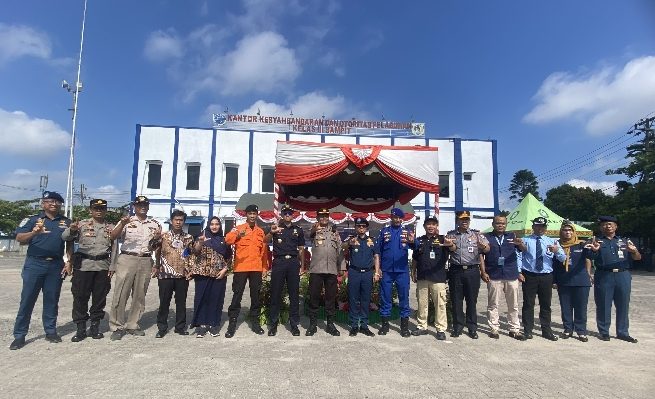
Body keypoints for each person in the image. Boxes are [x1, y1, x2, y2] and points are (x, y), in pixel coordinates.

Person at [10, 191, 72, 350]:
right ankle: (19, 335)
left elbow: (69, 243)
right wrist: (34, 232)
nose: (54, 203)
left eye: (57, 201)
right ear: (43, 203)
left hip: (56, 265)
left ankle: (50, 331)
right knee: (27, 300)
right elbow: (19, 238)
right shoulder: (33, 219)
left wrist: (68, 261)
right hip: (35, 264)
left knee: (52, 300)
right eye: (50, 201)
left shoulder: (65, 221)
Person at [108, 195, 162, 340]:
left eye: (145, 204)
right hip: (127, 258)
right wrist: (121, 224)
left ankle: (132, 324)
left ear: (148, 206)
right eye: (139, 205)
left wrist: (157, 241)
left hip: (145, 260)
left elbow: (156, 247)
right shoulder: (126, 221)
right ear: (134, 206)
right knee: (121, 293)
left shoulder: (155, 224)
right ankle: (117, 326)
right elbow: (113, 236)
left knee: (139, 295)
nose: (142, 207)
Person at [61, 198, 114, 342]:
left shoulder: (110, 227)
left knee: (99, 298)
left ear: (105, 210)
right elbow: (65, 236)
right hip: (83, 266)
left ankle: (95, 327)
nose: (99, 211)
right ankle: (80, 328)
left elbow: (114, 246)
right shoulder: (81, 224)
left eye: (102, 208)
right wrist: (72, 229)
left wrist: (113, 265)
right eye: (96, 208)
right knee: (80, 297)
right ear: (90, 210)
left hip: (102, 266)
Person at [587, 215, 641, 343]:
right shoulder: (596, 241)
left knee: (623, 304)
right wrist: (594, 250)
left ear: (616, 226)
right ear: (600, 227)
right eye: (604, 224)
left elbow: (638, 257)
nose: (608, 226)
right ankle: (604, 332)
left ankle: (623, 332)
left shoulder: (625, 240)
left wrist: (633, 251)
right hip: (604, 275)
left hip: (623, 275)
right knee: (603, 304)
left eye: (610, 224)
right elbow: (589, 257)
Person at [519, 217, 566, 341]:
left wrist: (557, 251)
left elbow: (563, 258)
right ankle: (528, 330)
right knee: (528, 303)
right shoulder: (525, 240)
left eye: (543, 226)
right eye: (538, 226)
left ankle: (546, 330)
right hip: (530, 275)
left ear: (546, 228)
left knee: (546, 304)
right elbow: (519, 256)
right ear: (533, 227)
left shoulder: (552, 241)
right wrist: (519, 271)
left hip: (546, 276)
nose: (540, 229)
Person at [224, 204, 268, 338]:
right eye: (250, 214)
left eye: (254, 213)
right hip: (241, 268)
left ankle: (255, 323)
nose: (252, 216)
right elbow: (227, 240)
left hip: (256, 268)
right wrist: (238, 234)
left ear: (257, 215)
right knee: (237, 296)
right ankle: (232, 325)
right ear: (246, 215)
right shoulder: (238, 228)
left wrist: (264, 268)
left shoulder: (260, 231)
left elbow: (264, 251)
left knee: (255, 297)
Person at [480, 215, 527, 341]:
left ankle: (514, 329)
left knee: (513, 304)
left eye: (503, 223)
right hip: (494, 274)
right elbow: (481, 255)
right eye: (498, 223)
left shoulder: (512, 236)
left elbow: (523, 250)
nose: (500, 225)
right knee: (493, 304)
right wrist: (483, 272)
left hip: (511, 274)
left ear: (506, 224)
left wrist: (521, 244)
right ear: (493, 224)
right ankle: (494, 328)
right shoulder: (486, 237)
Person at [445, 211, 489, 339]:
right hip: (456, 271)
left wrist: (484, 247)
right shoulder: (451, 235)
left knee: (471, 300)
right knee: (456, 300)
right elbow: (447, 252)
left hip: (472, 271)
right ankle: (457, 327)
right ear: (457, 220)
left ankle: (472, 328)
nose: (465, 222)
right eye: (462, 219)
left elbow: (486, 250)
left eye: (467, 219)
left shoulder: (477, 234)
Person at [410, 216, 455, 340]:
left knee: (440, 304)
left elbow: (453, 249)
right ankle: (422, 326)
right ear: (424, 226)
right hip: (423, 277)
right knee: (422, 303)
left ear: (436, 226)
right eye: (428, 224)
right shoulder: (419, 240)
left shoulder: (443, 239)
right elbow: (415, 258)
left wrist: (450, 245)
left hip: (438, 278)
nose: (431, 226)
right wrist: (413, 271)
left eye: (433, 224)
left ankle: (440, 329)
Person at [265, 204, 306, 336]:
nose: (287, 215)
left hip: (293, 263)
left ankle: (294, 324)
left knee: (294, 295)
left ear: (292, 215)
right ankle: (273, 324)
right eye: (285, 214)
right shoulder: (276, 228)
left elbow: (301, 249)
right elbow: (265, 241)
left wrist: (303, 266)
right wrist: (271, 232)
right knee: (275, 294)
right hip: (279, 262)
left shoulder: (298, 230)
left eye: (289, 213)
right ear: (282, 215)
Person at [153, 209, 194, 338]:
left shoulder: (188, 237)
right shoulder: (164, 236)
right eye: (176, 220)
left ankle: (180, 327)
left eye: (181, 220)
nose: (178, 222)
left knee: (181, 302)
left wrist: (190, 270)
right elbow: (154, 248)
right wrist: (157, 265)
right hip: (165, 274)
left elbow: (190, 255)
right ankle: (162, 328)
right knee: (164, 302)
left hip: (182, 275)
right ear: (171, 221)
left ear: (184, 222)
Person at [189, 216, 232, 337]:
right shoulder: (201, 237)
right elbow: (195, 252)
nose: (214, 226)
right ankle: (201, 326)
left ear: (220, 226)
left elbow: (229, 257)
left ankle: (213, 325)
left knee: (216, 299)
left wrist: (225, 269)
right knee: (202, 299)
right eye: (212, 224)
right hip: (202, 274)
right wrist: (201, 242)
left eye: (217, 224)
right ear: (208, 225)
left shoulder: (224, 240)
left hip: (219, 275)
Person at [377, 208, 414, 337]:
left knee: (404, 298)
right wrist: (378, 269)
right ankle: (385, 326)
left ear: (401, 219)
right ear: (391, 218)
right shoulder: (384, 232)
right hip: (386, 271)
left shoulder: (407, 232)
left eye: (399, 218)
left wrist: (412, 241)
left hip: (402, 271)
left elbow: (415, 246)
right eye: (394, 217)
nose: (397, 220)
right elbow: (378, 251)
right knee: (385, 297)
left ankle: (404, 328)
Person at [553, 221, 592, 342]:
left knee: (581, 307)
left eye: (570, 230)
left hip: (581, 280)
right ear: (561, 232)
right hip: (564, 280)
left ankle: (581, 331)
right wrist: (554, 280)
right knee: (566, 307)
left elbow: (589, 258)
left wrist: (589, 274)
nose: (568, 232)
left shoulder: (581, 244)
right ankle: (568, 329)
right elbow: (553, 264)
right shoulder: (556, 245)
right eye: (565, 230)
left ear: (574, 232)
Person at [306, 207, 342, 337]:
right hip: (316, 269)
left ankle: (330, 325)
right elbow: (308, 236)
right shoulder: (314, 230)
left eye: (326, 216)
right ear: (317, 218)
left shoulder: (334, 232)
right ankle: (312, 325)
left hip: (331, 270)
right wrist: (314, 230)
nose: (324, 218)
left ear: (328, 217)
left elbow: (339, 250)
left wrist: (341, 267)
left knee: (330, 299)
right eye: (321, 216)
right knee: (314, 297)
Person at [343, 217, 380, 337]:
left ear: (366, 228)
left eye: (363, 226)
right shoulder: (352, 240)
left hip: (368, 273)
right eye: (359, 226)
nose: (361, 228)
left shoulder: (372, 241)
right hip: (354, 272)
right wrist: (349, 243)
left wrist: (377, 272)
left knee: (365, 299)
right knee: (353, 299)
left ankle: (364, 325)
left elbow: (376, 257)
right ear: (355, 228)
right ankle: (354, 325)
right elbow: (342, 248)